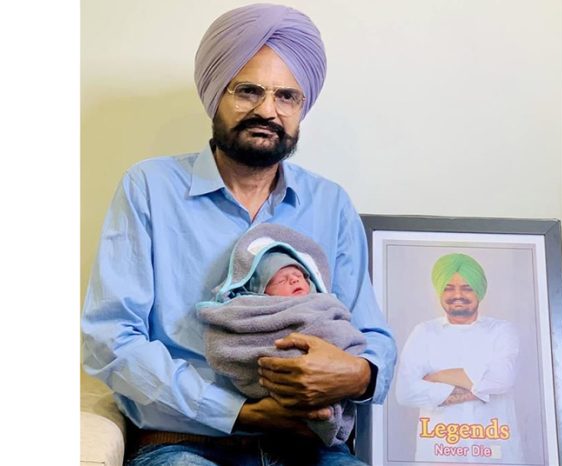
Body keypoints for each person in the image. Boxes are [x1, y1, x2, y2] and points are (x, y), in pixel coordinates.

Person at [81, 3, 396, 466]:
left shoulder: (330, 203)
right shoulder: (150, 187)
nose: (267, 110)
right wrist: (238, 411)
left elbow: (372, 335)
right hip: (184, 443)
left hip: (307, 446)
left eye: (287, 97)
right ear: (215, 95)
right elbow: (110, 338)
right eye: (248, 90)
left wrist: (358, 374)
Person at [196, 224, 367, 448]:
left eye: (299, 276)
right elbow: (224, 348)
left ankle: (321, 414)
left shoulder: (323, 305)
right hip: (210, 439)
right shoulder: (248, 310)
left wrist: (353, 370)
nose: (295, 280)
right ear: (259, 292)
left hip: (312, 445)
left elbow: (348, 337)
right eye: (282, 280)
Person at [395, 253, 523, 463]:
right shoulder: (424, 333)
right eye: (448, 287)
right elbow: (405, 392)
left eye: (467, 287)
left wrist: (437, 377)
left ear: (479, 291)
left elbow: (503, 379)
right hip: (439, 456)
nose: (457, 295)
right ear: (439, 292)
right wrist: (481, 388)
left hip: (497, 455)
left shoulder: (502, 331)